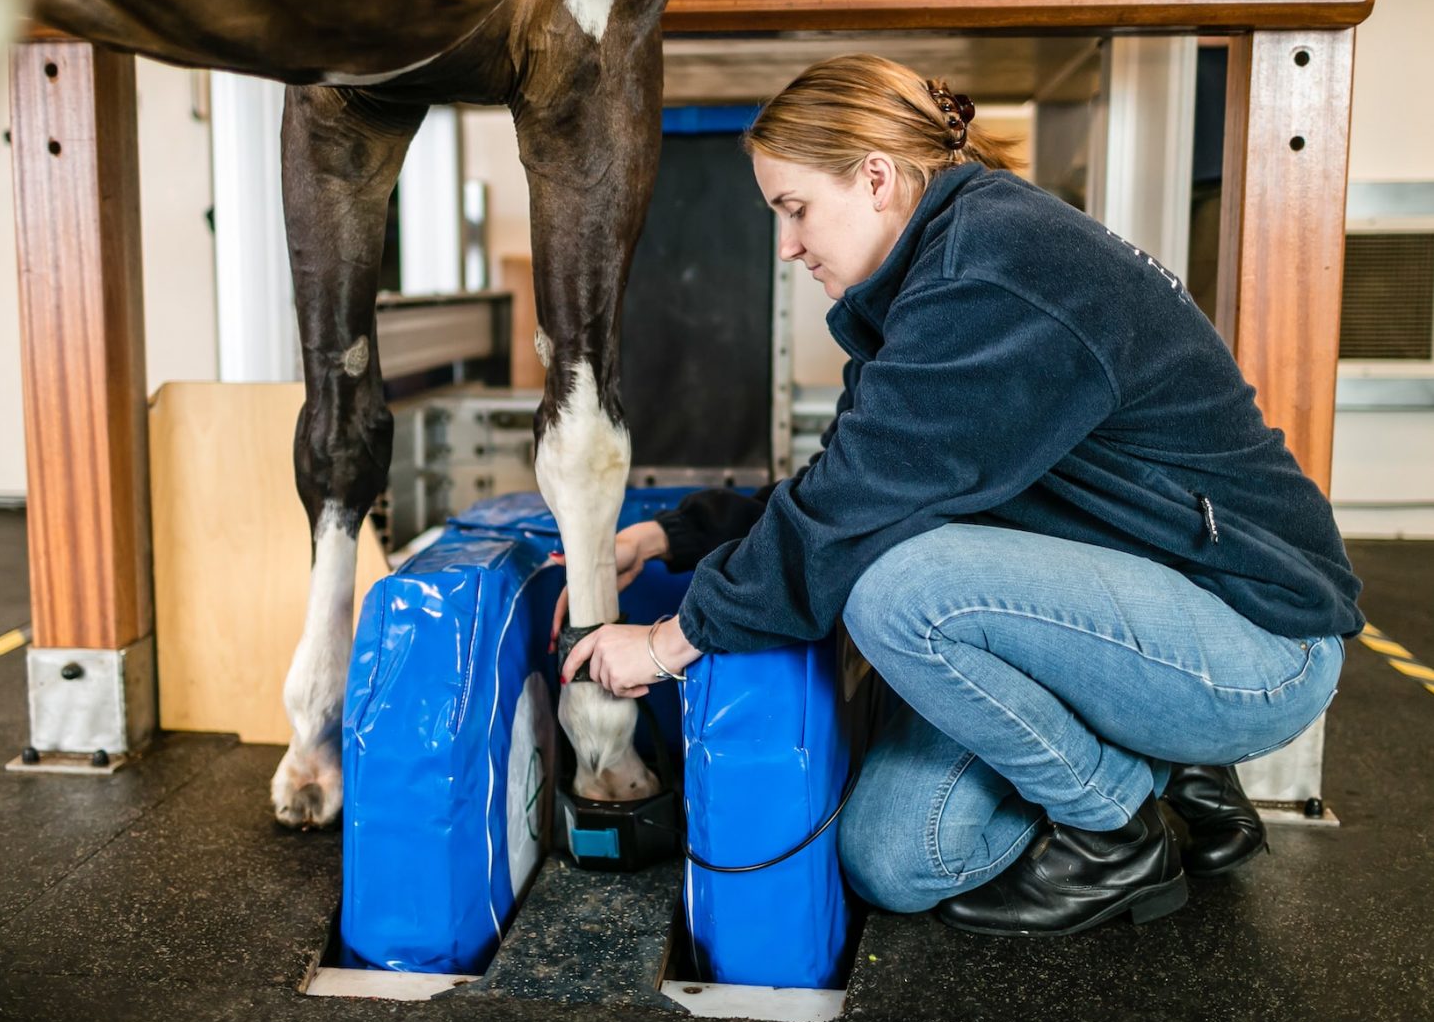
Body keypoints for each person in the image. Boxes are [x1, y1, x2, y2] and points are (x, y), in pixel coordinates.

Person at [555, 53, 1362, 937]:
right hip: (1141, 609)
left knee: (895, 592)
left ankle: (1118, 830)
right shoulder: (924, 283)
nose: (786, 245)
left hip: (1253, 638)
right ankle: (1167, 762)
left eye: (794, 210)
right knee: (896, 860)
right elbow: (851, 481)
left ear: (874, 178)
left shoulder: (995, 270)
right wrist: (672, 537)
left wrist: (671, 643)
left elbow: (855, 512)